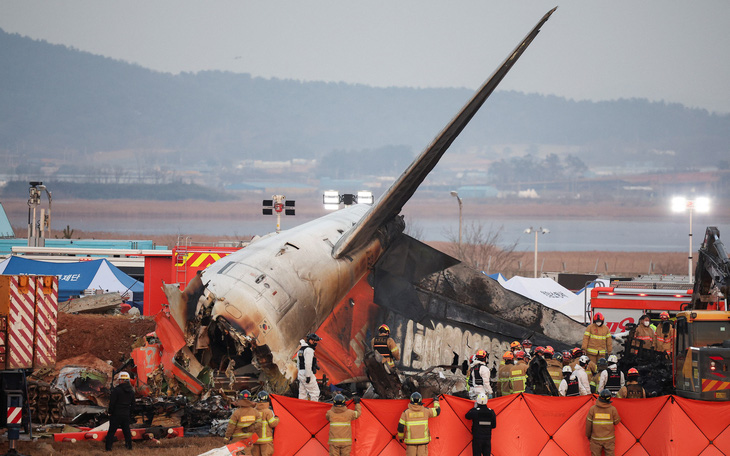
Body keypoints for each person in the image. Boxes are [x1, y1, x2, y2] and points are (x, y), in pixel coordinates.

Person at [105, 371, 135, 452]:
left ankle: (108, 448)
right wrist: (130, 414)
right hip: (126, 414)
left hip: (116, 414)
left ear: (121, 380)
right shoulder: (131, 391)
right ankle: (129, 447)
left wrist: (110, 412)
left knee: (111, 431)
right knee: (127, 431)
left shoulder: (116, 390)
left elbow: (112, 403)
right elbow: (133, 404)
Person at [586, 389, 621, 456]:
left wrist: (588, 435)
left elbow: (588, 425)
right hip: (609, 439)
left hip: (595, 439)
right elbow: (616, 422)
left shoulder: (592, 409)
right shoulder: (612, 409)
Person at [252, 391, 279, 456]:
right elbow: (272, 424)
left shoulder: (253, 411)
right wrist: (277, 419)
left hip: (255, 440)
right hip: (266, 441)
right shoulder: (268, 411)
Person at [298, 333, 322, 401]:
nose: (316, 343)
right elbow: (308, 364)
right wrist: (308, 376)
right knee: (315, 392)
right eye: (315, 341)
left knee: (302, 393)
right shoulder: (309, 350)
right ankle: (314, 408)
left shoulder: (301, 349)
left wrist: (299, 374)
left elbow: (298, 363)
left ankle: (302, 408)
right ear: (311, 340)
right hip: (307, 373)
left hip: (301, 373)